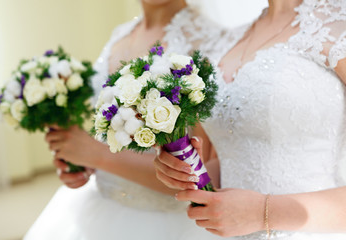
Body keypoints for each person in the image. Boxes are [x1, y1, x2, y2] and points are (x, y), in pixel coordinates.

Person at [24, 0, 244, 239]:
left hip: (168, 224)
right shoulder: (121, 33)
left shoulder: (212, 41)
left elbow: (204, 173)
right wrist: (82, 162)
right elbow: (115, 132)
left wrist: (97, 154)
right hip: (103, 209)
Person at [154, 0, 346, 239]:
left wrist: (262, 212)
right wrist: (184, 171)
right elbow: (235, 160)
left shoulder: (339, 29)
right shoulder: (222, 44)